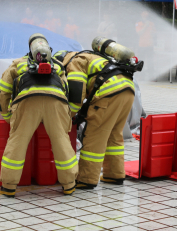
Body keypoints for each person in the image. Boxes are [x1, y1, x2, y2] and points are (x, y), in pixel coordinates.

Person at [0, 34, 77, 197]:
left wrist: (7, 116)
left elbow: (2, 92)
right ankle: (69, 184)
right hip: (56, 102)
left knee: (17, 141)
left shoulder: (18, 63)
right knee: (61, 140)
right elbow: (67, 90)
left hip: (27, 102)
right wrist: (65, 114)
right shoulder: (58, 65)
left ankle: (9, 186)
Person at [58, 38, 137, 189]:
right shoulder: (94, 57)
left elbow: (76, 95)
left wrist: (68, 115)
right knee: (114, 134)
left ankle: (86, 179)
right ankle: (115, 174)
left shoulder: (74, 62)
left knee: (95, 135)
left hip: (109, 92)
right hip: (128, 89)